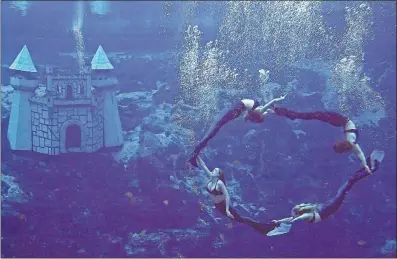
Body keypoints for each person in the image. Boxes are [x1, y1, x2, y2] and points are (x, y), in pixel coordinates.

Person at [272, 150, 385, 225]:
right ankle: (373, 167)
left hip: (330, 203)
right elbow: (296, 219)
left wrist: (278, 221)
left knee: (350, 180)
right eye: (299, 206)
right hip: (333, 204)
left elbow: (290, 219)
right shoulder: (307, 215)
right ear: (300, 211)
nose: (301, 204)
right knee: (350, 181)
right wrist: (294, 220)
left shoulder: (308, 213)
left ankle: (368, 165)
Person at [196, 156, 291, 236]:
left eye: (215, 171)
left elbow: (227, 196)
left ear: (219, 175)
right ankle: (265, 228)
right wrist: (197, 155)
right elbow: (204, 166)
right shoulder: (211, 178)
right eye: (213, 170)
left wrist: (227, 210)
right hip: (218, 206)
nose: (212, 171)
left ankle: (269, 227)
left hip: (224, 206)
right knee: (239, 220)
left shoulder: (219, 183)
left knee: (241, 219)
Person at [189, 96, 287, 167]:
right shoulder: (258, 110)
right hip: (236, 111)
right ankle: (195, 153)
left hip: (235, 110)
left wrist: (280, 99)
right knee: (213, 132)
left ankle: (195, 153)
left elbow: (271, 103)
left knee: (213, 131)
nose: (265, 113)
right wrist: (276, 110)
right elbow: (270, 110)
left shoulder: (259, 111)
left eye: (263, 115)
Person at [271, 105, 371, 173]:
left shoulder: (351, 143)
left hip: (338, 121)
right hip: (338, 119)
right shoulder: (352, 143)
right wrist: (365, 165)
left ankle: (285, 113)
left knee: (307, 116)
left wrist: (365, 165)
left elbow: (359, 154)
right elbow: (359, 153)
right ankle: (283, 112)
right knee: (307, 116)